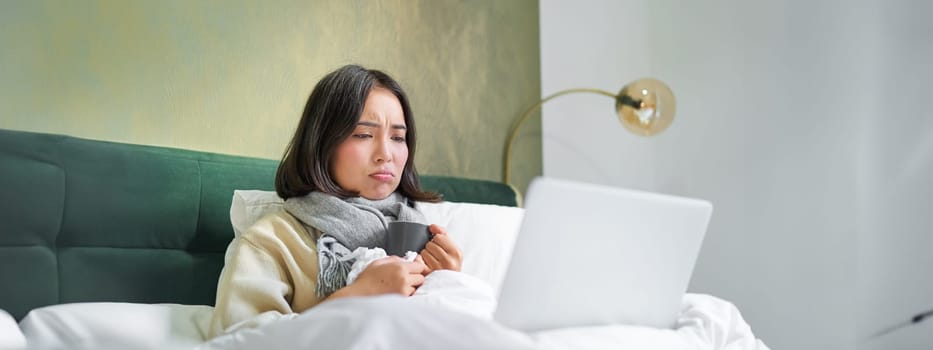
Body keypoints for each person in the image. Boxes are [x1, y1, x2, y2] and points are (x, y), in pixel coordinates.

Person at [208, 64, 464, 338]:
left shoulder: (420, 231)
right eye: (364, 135)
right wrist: (356, 296)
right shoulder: (273, 241)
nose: (386, 154)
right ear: (322, 142)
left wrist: (448, 281)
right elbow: (236, 340)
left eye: (398, 138)